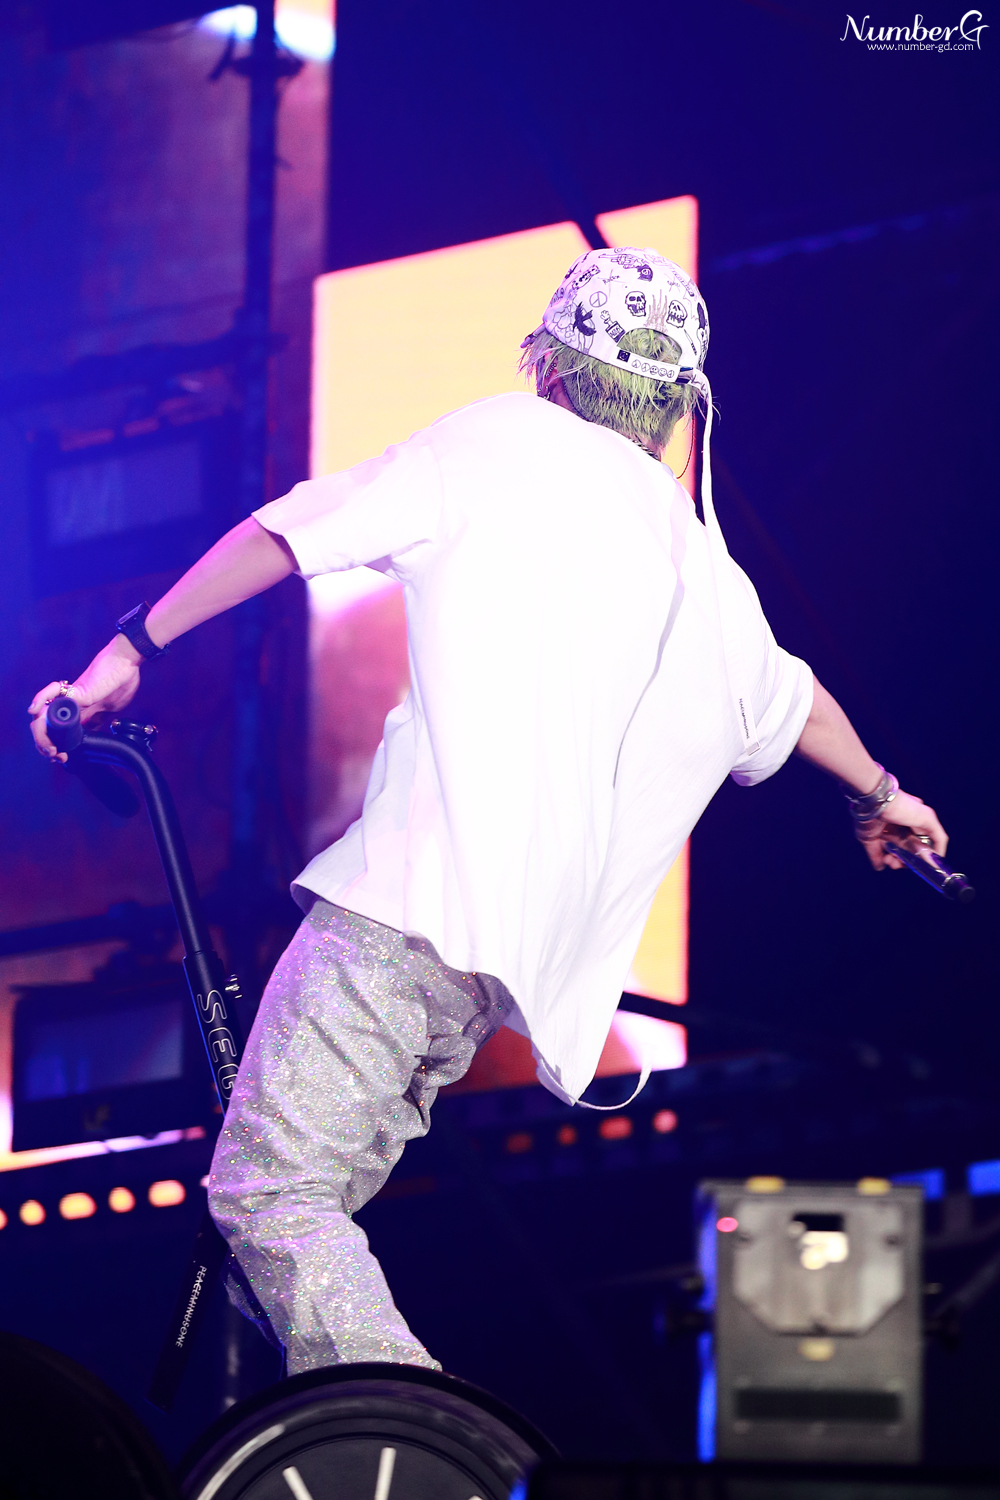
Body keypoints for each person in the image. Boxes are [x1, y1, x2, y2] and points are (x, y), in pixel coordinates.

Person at [29, 247, 947, 1374]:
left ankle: (414, 1436)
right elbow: (799, 706)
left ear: (548, 364)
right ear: (679, 409)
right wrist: (884, 795)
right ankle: (330, 1431)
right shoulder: (709, 577)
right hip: (485, 985)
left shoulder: (505, 440)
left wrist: (129, 649)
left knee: (269, 1197)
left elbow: (286, 531)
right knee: (293, 1234)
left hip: (400, 923)